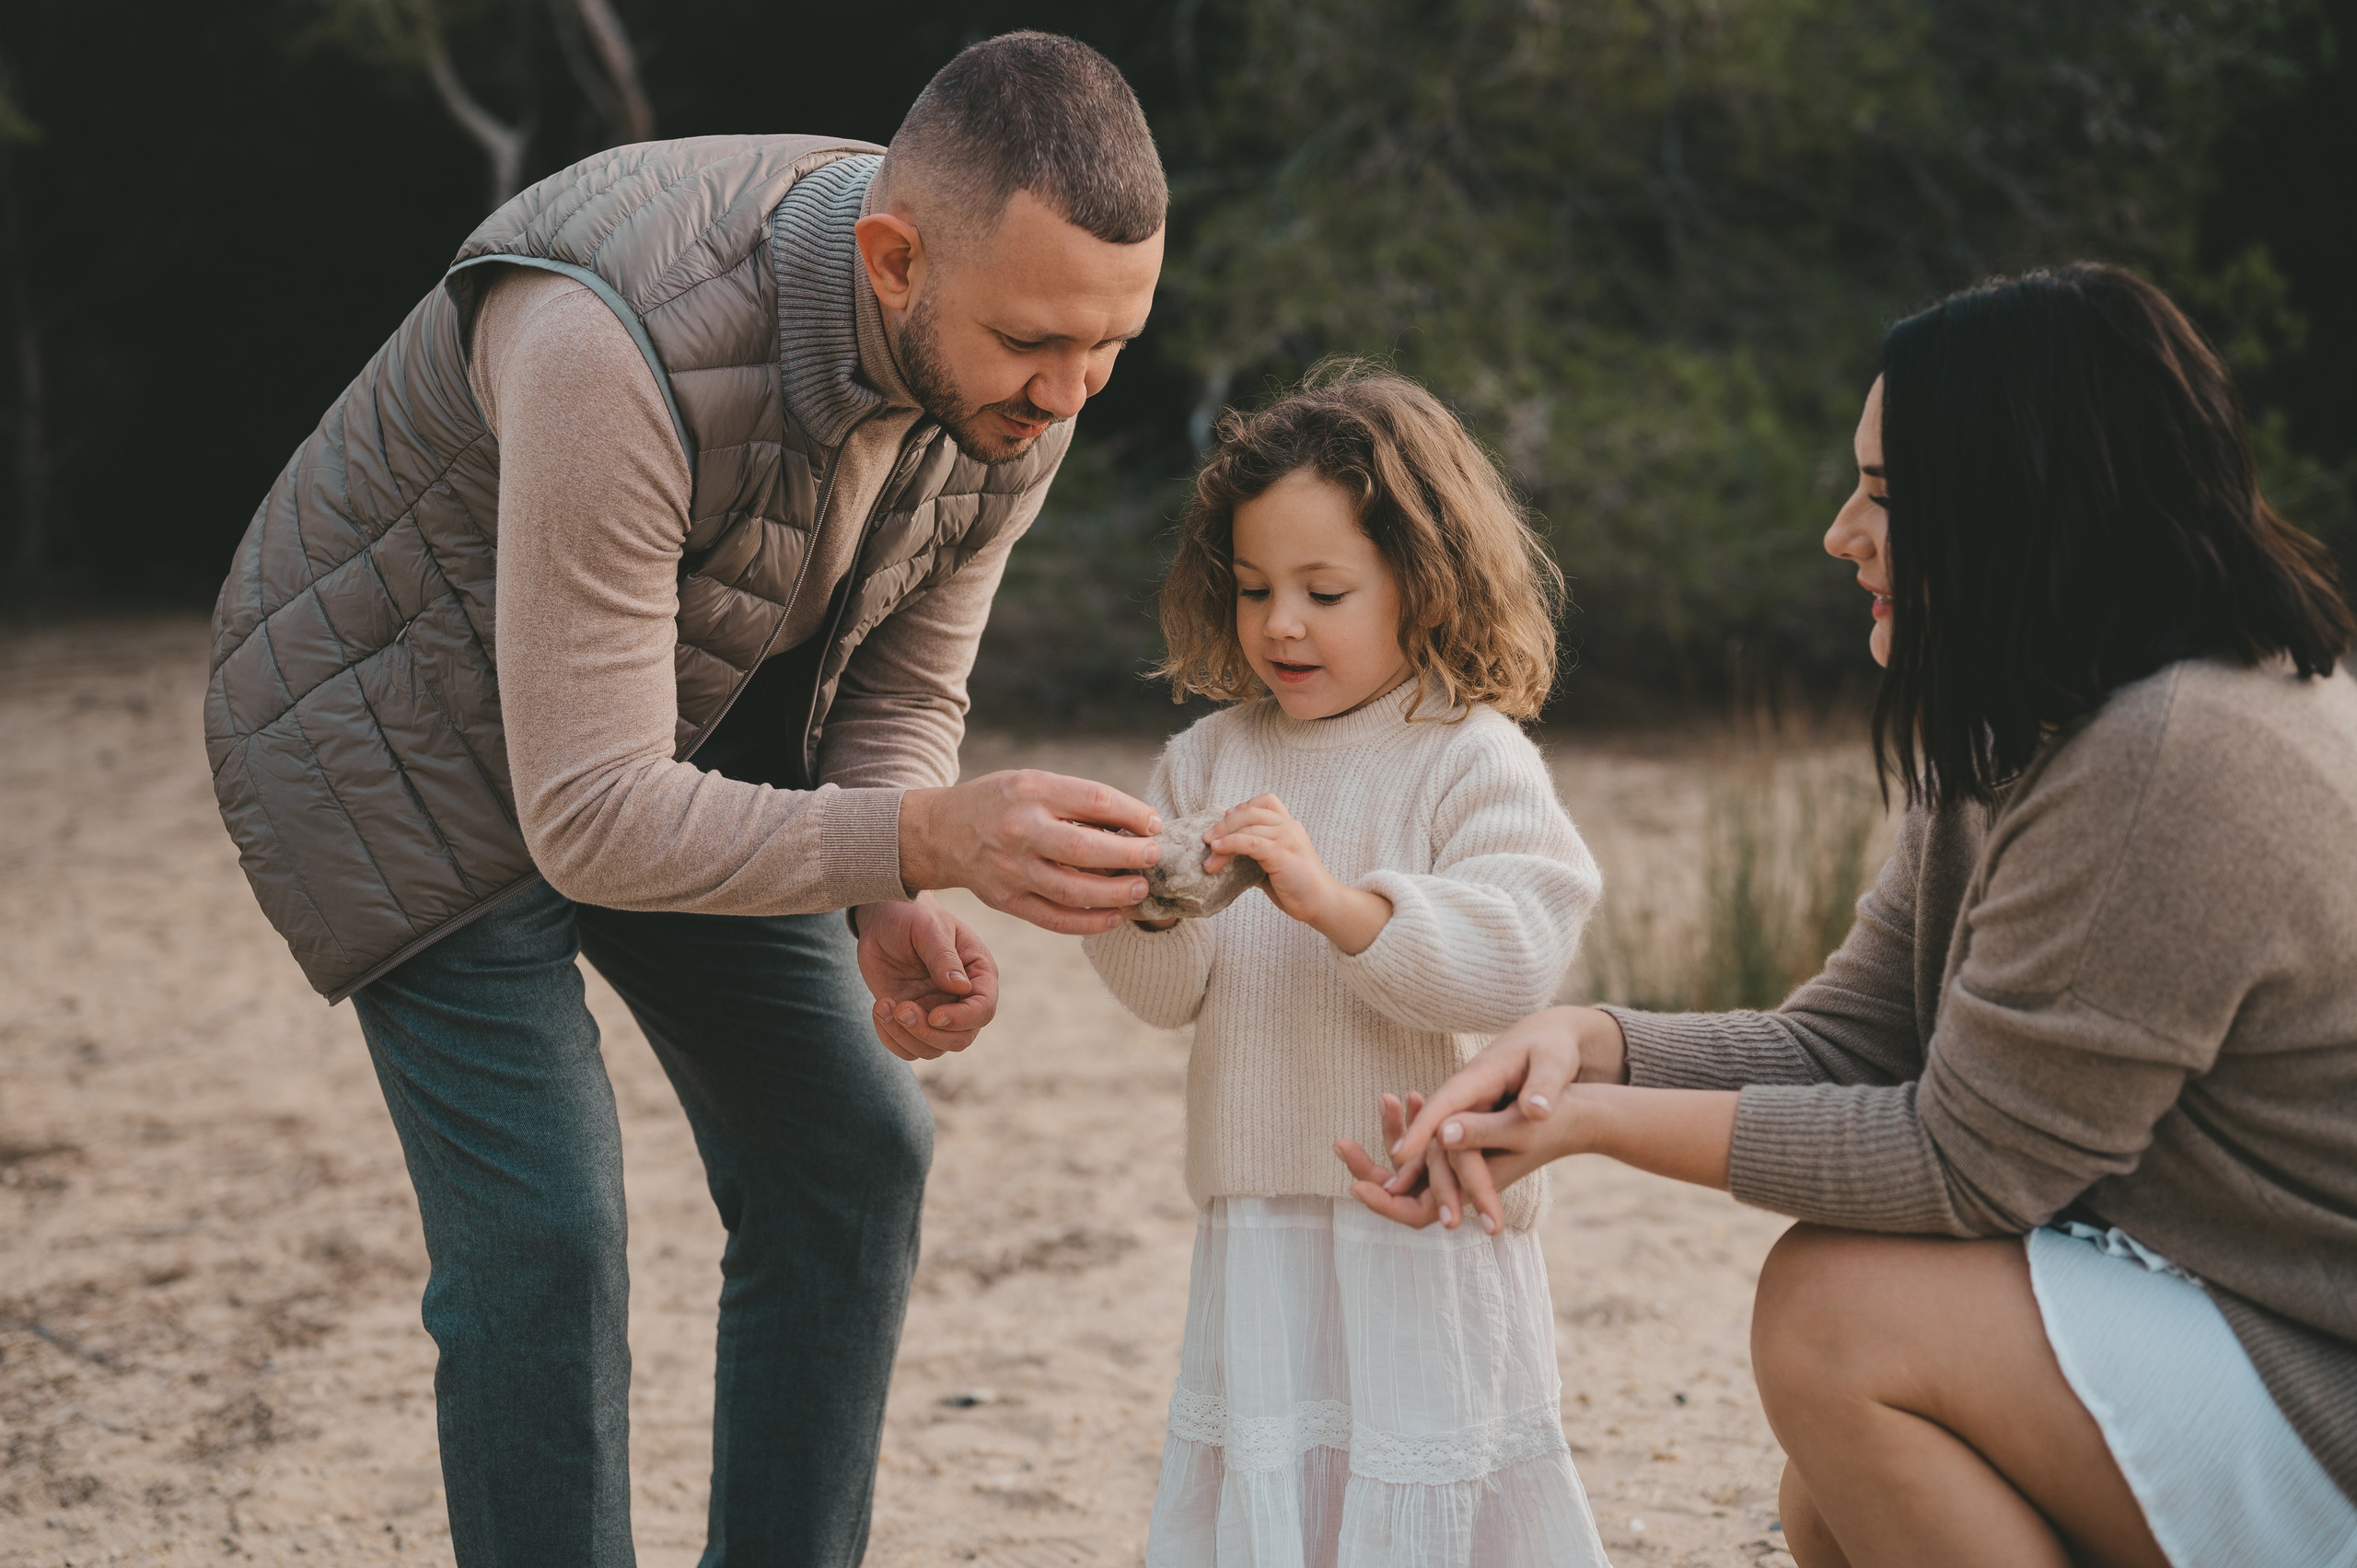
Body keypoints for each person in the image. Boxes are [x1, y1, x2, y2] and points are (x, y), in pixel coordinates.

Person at [206, 33, 1177, 1568]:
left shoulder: (1013, 380)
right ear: (894, 259)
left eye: (1114, 343)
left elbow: (902, 689)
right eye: (1039, 343)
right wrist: (928, 835)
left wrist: (889, 888)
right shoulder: (614, 345)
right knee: (548, 1236)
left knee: (856, 1148)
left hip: (664, 729)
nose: (1071, 392)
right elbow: (589, 820)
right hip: (396, 742)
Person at [1352, 264, 2357, 1568]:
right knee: (1829, 1506)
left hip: (2320, 1374)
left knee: (1840, 1320)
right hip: (2230, 1316)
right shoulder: (2042, 713)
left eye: (1884, 496)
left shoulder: (2174, 754)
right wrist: (1590, 1043)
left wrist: (1589, 1125)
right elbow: (1866, 1034)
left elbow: (1969, 1166)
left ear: (2020, 502)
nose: (1841, 533)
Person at [1084, 365, 1611, 1566]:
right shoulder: (1208, 757)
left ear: (1425, 585)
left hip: (1426, 1212)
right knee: (1279, 1474)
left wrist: (1337, 904)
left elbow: (1513, 960)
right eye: (1256, 588)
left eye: (1325, 591)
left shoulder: (1467, 755)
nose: (1279, 624)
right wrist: (1127, 900)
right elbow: (1171, 999)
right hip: (1260, 1203)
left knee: (1427, 1480)